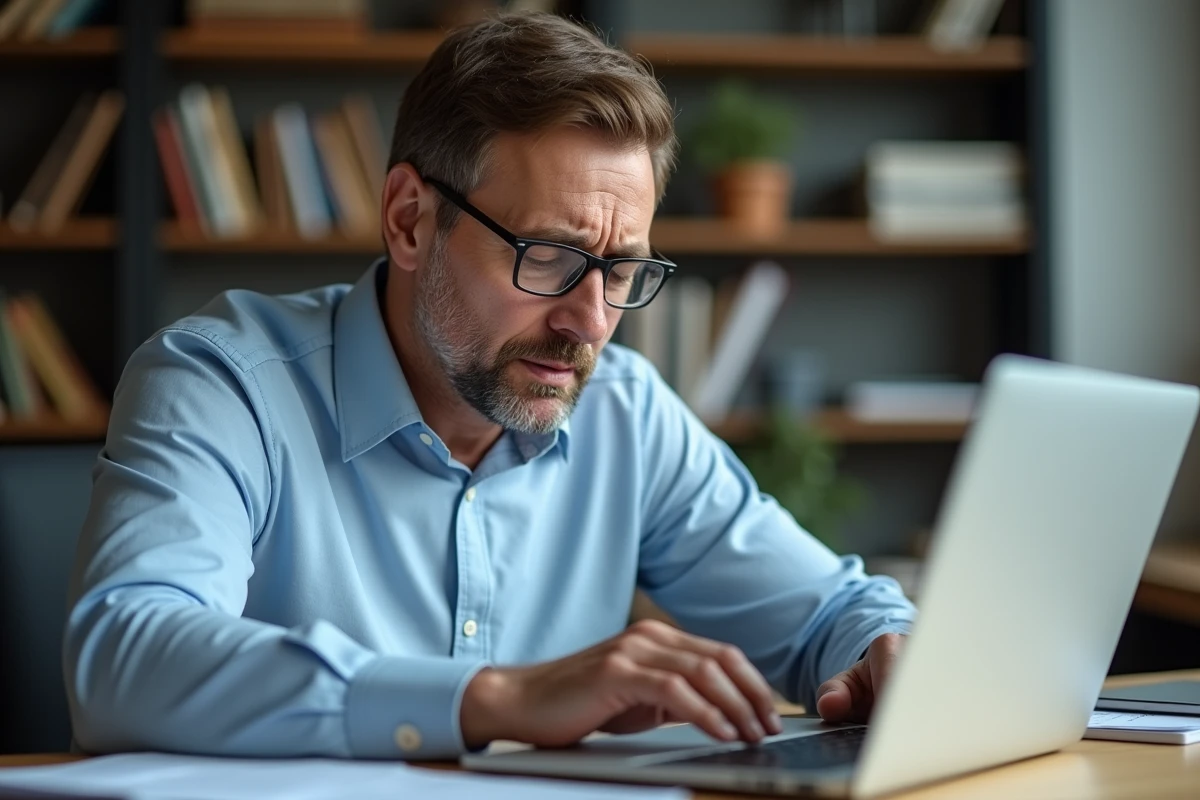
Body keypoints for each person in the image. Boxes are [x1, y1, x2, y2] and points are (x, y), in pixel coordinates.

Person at [64, 13, 915, 760]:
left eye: (622, 270)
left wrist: (885, 648)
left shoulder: (627, 412)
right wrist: (494, 700)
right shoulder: (222, 384)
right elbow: (123, 659)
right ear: (409, 219)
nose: (590, 322)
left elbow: (827, 612)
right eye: (548, 256)